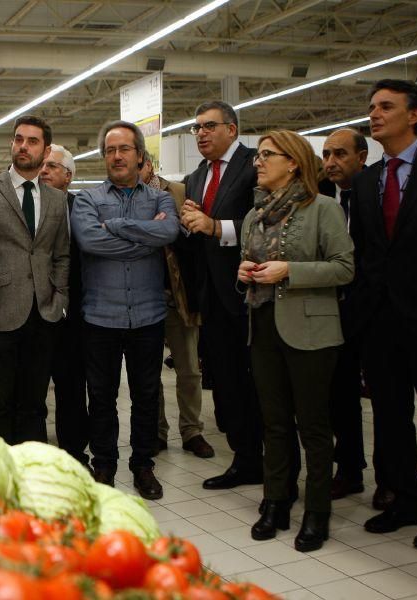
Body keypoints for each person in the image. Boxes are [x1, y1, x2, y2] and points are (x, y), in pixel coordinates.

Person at [238, 130, 353, 552]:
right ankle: (276, 501)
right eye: (258, 155)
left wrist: (291, 270)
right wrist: (244, 274)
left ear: (293, 162)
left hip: (311, 330)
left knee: (314, 425)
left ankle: (317, 512)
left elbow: (344, 268)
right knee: (274, 422)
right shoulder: (254, 214)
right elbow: (246, 264)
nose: (258, 162)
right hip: (263, 326)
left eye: (268, 155)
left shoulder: (322, 209)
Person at [352, 79, 417, 550]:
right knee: (391, 417)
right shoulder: (367, 180)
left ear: (414, 115)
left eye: (385, 106)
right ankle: (403, 500)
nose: (374, 114)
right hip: (381, 320)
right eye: (372, 107)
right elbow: (368, 250)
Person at [71, 121, 179, 500]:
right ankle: (104, 464)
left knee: (146, 394)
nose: (116, 156)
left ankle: (143, 465)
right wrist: (144, 236)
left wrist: (115, 225)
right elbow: (89, 240)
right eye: (110, 150)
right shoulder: (86, 199)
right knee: (100, 396)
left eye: (124, 149)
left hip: (148, 316)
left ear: (139, 156)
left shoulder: (161, 199)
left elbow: (168, 234)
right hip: (100, 315)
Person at [0, 115, 69, 444]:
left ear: (46, 149)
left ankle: (33, 474)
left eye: (32, 141)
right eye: (18, 139)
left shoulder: (55, 199)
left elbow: (60, 253)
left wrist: (60, 298)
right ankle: (2, 473)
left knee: (35, 403)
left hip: (43, 313)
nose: (23, 146)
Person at [179, 101, 263, 490]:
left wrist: (216, 226)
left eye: (209, 126)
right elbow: (197, 232)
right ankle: (245, 460)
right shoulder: (197, 176)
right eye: (196, 129)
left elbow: (268, 219)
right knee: (226, 386)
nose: (201, 134)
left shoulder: (255, 165)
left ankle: (272, 461)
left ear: (232, 129)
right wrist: (188, 221)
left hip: (251, 293)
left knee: (259, 385)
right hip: (211, 297)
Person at [321, 128, 384, 505]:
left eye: (340, 154)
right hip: (334, 309)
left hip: (375, 310)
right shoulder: (322, 197)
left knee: (387, 399)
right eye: (327, 154)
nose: (331, 162)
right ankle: (349, 469)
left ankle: (392, 478)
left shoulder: (374, 193)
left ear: (361, 157)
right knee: (339, 395)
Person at [141, 151, 213, 460]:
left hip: (179, 294)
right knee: (148, 372)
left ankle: (192, 431)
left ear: (148, 164)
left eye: (138, 164)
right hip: (143, 297)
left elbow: (197, 242)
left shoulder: (180, 192)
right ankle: (157, 432)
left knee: (187, 369)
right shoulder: (125, 196)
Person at [39, 143, 89, 467]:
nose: (43, 171)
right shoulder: (30, 206)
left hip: (75, 314)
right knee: (34, 390)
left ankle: (74, 453)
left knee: (72, 389)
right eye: (42, 166)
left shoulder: (81, 208)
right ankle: (38, 453)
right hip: (36, 312)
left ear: (68, 176)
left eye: (52, 167)